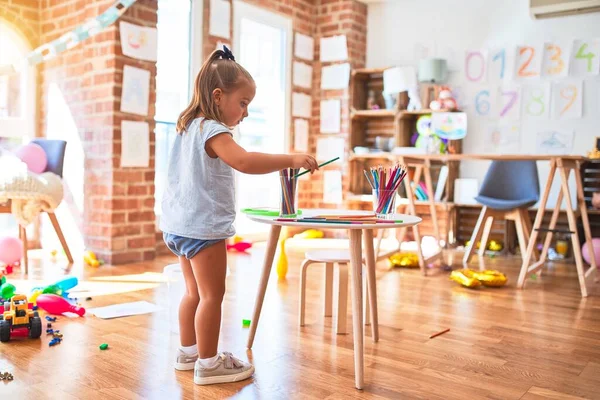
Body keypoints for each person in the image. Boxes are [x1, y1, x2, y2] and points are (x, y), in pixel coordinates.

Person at [160, 45, 318, 385]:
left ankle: (188, 353)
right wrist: (290, 159)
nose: (245, 112)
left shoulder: (187, 126)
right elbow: (244, 162)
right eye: (243, 103)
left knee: (193, 293)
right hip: (203, 230)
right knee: (213, 296)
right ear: (218, 96)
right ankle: (208, 363)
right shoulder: (214, 131)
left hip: (178, 226)